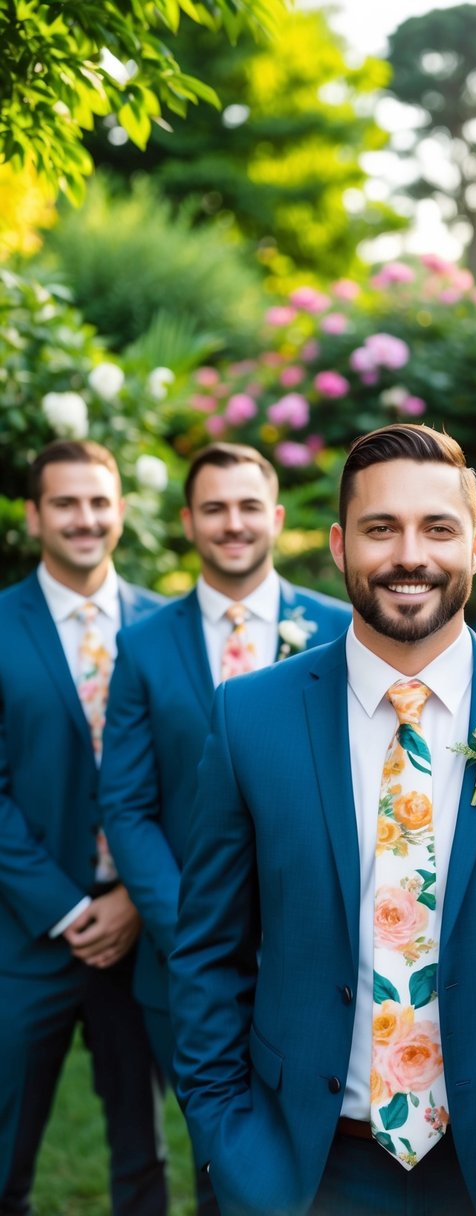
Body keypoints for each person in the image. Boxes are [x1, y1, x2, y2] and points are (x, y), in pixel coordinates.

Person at [168, 423, 476, 1216]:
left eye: (438, 529)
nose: (409, 555)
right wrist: (228, 1140)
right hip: (307, 1169)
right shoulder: (248, 717)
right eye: (381, 528)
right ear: (339, 545)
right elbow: (209, 952)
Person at [99, 442, 351, 1215]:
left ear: (274, 516)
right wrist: (197, 932)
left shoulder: (338, 626)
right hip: (188, 963)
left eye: (247, 507)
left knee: (329, 1164)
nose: (232, 523)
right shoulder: (144, 643)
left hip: (323, 960)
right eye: (214, 508)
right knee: (222, 1165)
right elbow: (128, 804)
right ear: (188, 522)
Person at [0, 440, 167, 1214]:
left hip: (140, 933)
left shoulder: (166, 627)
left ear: (121, 511)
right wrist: (67, 910)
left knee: (145, 1151)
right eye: (65, 503)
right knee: (6, 1155)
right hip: (27, 933)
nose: (85, 518)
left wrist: (135, 897)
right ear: (34, 516)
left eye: (99, 501)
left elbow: (188, 786)